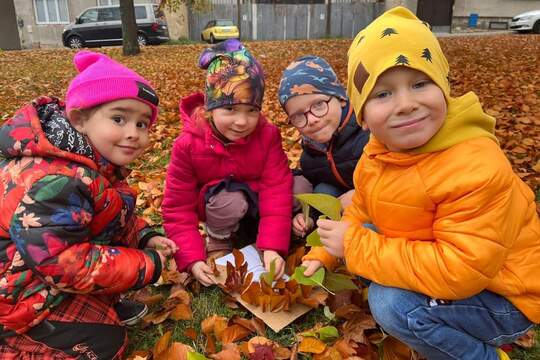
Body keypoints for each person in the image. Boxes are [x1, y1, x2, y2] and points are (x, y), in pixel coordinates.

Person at [302, 7, 540, 360]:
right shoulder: (379, 151)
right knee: (367, 232)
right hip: (456, 269)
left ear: (443, 88)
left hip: (506, 296)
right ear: (362, 116)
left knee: (393, 303)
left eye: (419, 83)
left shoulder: (473, 166)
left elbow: (461, 271)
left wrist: (354, 246)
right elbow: (363, 210)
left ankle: (481, 354)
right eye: (382, 94)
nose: (406, 104)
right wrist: (325, 252)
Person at [0, 50, 177, 359]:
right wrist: (148, 264)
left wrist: (146, 236)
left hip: (37, 275)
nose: (133, 133)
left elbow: (109, 214)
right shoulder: (57, 179)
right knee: (103, 344)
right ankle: (16, 343)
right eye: (119, 118)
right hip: (14, 291)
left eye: (142, 123)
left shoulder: (90, 162)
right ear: (80, 119)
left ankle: (96, 305)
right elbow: (62, 262)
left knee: (103, 319)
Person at [162, 39, 293, 286]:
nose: (242, 122)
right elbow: (177, 206)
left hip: (256, 203)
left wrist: (273, 247)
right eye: (230, 109)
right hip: (219, 205)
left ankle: (256, 237)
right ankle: (219, 239)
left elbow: (276, 189)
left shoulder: (268, 136)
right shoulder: (188, 145)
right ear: (211, 109)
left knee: (297, 189)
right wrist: (191, 259)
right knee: (229, 201)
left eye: (251, 110)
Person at [278, 56, 370, 237]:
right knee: (323, 190)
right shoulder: (312, 152)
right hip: (342, 203)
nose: (311, 119)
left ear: (341, 98)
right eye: (298, 116)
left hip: (382, 202)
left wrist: (361, 197)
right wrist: (308, 216)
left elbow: (398, 176)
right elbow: (315, 184)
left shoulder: (368, 133)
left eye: (319, 105)